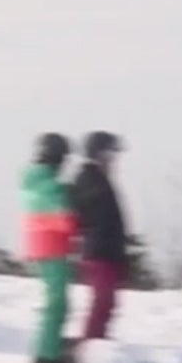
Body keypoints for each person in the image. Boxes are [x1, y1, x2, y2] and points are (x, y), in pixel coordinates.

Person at [22, 132, 78, 363]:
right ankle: (47, 355)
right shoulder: (50, 186)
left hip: (40, 245)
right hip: (52, 247)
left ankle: (49, 350)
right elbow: (63, 219)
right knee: (57, 304)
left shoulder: (33, 181)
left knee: (56, 302)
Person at [70, 131, 131, 346]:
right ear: (99, 154)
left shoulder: (102, 180)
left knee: (109, 302)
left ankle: (98, 340)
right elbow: (84, 213)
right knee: (102, 299)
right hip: (98, 251)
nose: (115, 159)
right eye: (111, 153)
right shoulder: (88, 179)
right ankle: (89, 342)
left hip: (109, 250)